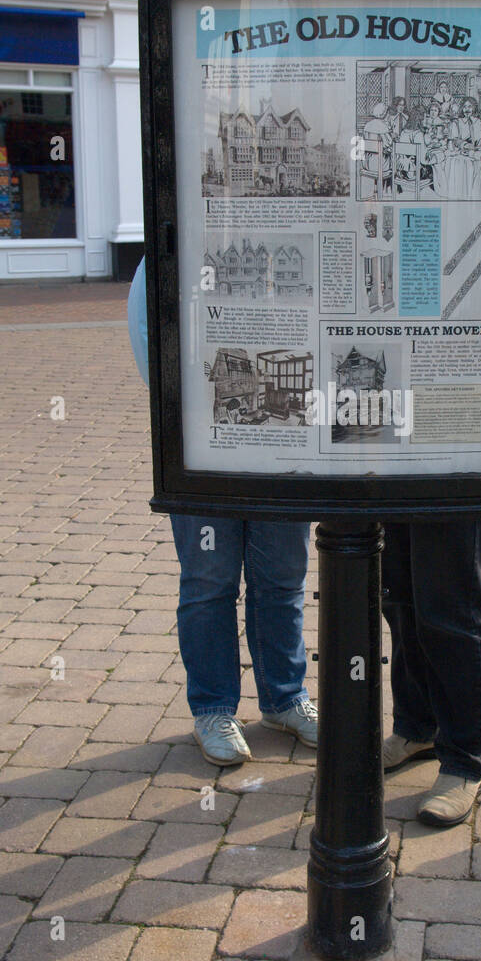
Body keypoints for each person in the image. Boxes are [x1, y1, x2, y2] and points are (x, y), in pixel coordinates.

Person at [127, 258, 317, 765]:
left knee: (282, 575)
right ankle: (213, 707)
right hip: (202, 445)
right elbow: (147, 323)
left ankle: (284, 698)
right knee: (209, 580)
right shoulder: (178, 226)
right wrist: (185, 408)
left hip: (282, 447)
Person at [381, 520, 481, 827]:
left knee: (454, 607)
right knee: (400, 598)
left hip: (457, 479)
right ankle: (417, 728)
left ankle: (466, 760)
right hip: (392, 475)